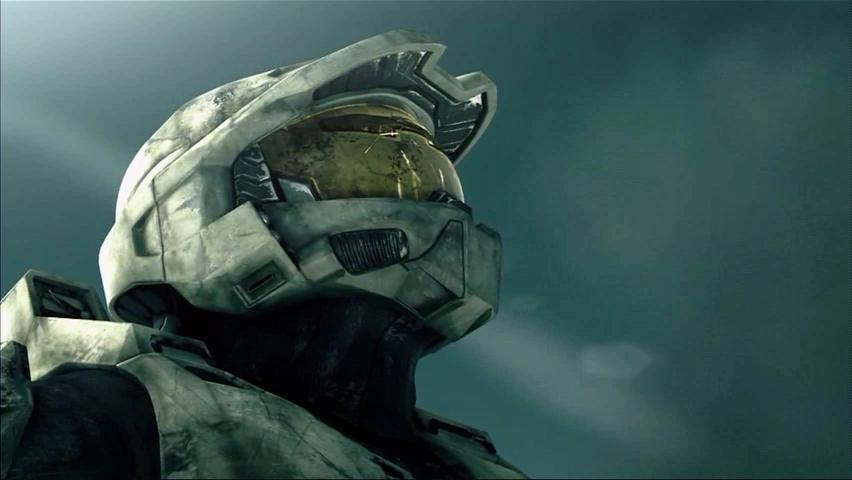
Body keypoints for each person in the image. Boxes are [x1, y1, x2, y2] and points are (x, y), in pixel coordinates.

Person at [0, 30, 525, 479]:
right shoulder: (110, 417)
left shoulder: (467, 462)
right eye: (351, 167)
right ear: (185, 210)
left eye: (429, 176)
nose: (429, 207)